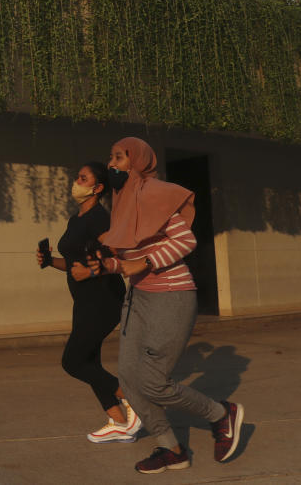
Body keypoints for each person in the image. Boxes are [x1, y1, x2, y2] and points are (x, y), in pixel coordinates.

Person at [79, 137, 244, 474]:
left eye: (119, 158)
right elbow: (127, 260)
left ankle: (220, 414)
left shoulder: (154, 194)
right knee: (129, 377)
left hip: (172, 296)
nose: (112, 164)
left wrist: (148, 262)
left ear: (137, 161)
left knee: (153, 381)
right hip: (138, 298)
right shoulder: (123, 201)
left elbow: (186, 240)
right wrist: (104, 266)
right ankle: (171, 449)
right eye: (110, 157)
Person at [37, 162, 142, 444]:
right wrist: (50, 262)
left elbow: (120, 256)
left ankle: (133, 400)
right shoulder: (77, 219)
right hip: (83, 300)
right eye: (77, 176)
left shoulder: (99, 218)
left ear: (97, 188)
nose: (76, 181)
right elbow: (74, 265)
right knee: (89, 361)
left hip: (104, 300)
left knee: (72, 361)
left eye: (83, 178)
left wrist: (94, 270)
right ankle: (119, 422)